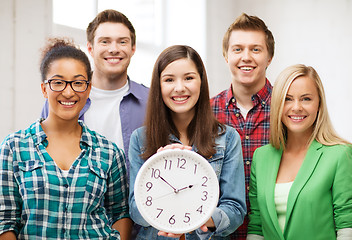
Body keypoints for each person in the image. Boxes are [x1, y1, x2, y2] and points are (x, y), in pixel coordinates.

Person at [0, 38, 131, 239]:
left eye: (78, 83)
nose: (68, 92)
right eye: (58, 82)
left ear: (88, 89)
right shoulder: (14, 147)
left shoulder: (110, 152)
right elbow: (5, 220)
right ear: (44, 88)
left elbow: (120, 214)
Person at [129, 45, 246, 239]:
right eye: (169, 80)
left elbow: (235, 211)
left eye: (189, 78)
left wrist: (192, 218)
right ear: (159, 86)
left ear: (201, 81)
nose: (180, 88)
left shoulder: (228, 138)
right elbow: (135, 211)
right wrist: (158, 166)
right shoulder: (140, 139)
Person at [247, 64, 352, 240]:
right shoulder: (261, 156)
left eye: (306, 99)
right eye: (288, 99)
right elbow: (257, 225)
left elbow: (347, 226)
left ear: (319, 103)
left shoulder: (340, 154)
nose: (296, 107)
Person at [41, 9, 149, 175]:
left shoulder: (150, 101)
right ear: (90, 48)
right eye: (105, 42)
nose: (113, 49)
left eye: (122, 42)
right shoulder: (63, 99)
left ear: (133, 48)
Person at [210, 13, 274, 239]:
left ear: (269, 57)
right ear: (226, 55)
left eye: (255, 49)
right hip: (219, 234)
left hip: (272, 231)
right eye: (237, 49)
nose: (246, 57)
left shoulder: (287, 111)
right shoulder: (206, 114)